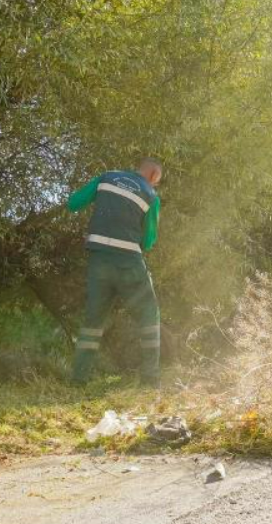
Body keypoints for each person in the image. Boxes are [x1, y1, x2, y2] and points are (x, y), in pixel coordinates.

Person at [66, 158, 163, 387]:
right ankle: (150, 380)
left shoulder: (107, 177)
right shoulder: (150, 194)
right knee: (150, 315)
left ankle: (78, 380)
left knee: (93, 321)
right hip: (129, 262)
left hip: (99, 261)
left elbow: (73, 203)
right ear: (153, 176)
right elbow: (149, 240)